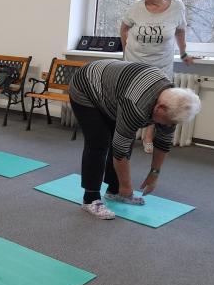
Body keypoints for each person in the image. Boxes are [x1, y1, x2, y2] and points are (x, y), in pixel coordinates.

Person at [69, 59, 201, 220]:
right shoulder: (137, 105)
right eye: (167, 121)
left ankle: (114, 191)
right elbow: (120, 150)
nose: (168, 125)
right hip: (86, 86)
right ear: (160, 108)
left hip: (114, 90)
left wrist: (154, 174)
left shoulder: (173, 105)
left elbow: (164, 142)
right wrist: (127, 186)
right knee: (99, 142)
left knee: (125, 137)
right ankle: (90, 198)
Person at [120, 0, 195, 154]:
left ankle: (148, 136)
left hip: (161, 64)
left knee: (157, 102)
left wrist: (184, 53)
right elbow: (124, 28)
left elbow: (180, 31)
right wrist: (125, 51)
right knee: (130, 99)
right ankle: (126, 134)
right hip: (134, 62)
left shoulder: (177, 7)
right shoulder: (136, 7)